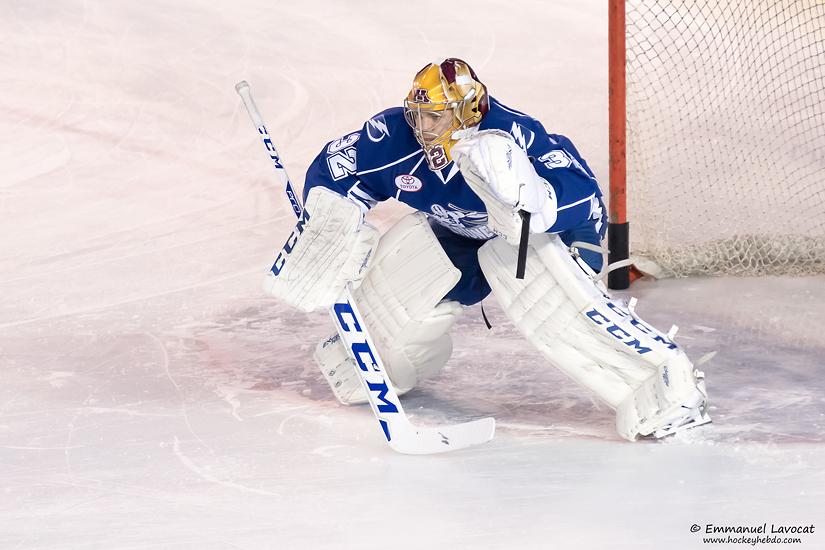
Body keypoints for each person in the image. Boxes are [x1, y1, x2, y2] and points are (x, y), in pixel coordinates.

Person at [263, 58, 710, 440]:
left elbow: (583, 193)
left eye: (435, 117)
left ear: (466, 113)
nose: (421, 127)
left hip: (550, 234)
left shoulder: (514, 136)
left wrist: (535, 206)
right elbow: (337, 167)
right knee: (406, 281)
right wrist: (331, 221)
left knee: (554, 303)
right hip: (461, 228)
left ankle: (663, 385)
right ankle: (373, 359)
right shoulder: (393, 137)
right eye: (418, 114)